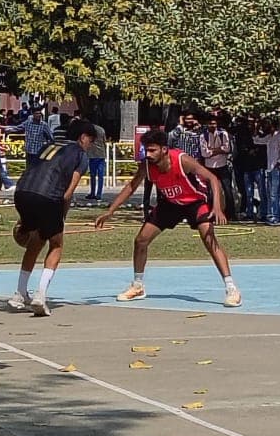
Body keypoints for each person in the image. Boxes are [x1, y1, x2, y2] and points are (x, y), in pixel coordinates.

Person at [96, 128, 241, 307]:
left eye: (152, 150)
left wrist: (217, 207)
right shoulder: (146, 166)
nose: (148, 154)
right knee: (141, 240)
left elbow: (212, 178)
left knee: (208, 237)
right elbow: (131, 187)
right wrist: (110, 211)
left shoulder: (182, 160)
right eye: (146, 150)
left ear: (164, 149)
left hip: (195, 202)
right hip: (170, 203)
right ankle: (138, 286)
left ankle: (231, 288)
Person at [8, 118, 96, 316]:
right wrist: (62, 216)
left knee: (36, 241)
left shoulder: (48, 146)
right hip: (48, 197)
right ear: (83, 137)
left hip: (22, 193)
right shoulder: (80, 154)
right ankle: (40, 295)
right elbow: (68, 192)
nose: (90, 146)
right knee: (56, 244)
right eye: (91, 141)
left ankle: (20, 293)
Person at [201, 113, 236, 221]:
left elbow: (227, 149)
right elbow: (204, 153)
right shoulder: (203, 136)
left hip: (222, 165)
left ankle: (230, 214)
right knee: (210, 191)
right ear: (207, 124)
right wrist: (219, 150)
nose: (212, 126)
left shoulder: (223, 133)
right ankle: (211, 213)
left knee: (227, 190)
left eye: (214, 123)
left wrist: (212, 150)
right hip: (209, 166)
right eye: (210, 124)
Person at [2, 104, 54, 168]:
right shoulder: (28, 123)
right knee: (29, 169)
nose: (39, 115)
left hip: (39, 152)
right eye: (37, 113)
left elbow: (51, 138)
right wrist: (2, 128)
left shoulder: (44, 125)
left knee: (37, 169)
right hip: (29, 152)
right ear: (33, 114)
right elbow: (17, 128)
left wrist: (46, 146)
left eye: (39, 113)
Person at [85, 115, 107, 204]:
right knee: (100, 176)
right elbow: (104, 141)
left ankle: (92, 192)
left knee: (93, 175)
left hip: (92, 155)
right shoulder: (101, 129)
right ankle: (99, 194)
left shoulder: (89, 130)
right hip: (101, 154)